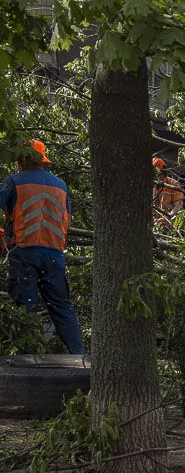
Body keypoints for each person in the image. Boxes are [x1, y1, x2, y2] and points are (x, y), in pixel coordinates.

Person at [0, 139, 85, 354]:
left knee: (23, 307)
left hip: (25, 251)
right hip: (55, 254)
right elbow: (67, 220)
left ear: (22, 159)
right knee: (62, 308)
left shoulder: (14, 181)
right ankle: (80, 357)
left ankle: (21, 360)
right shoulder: (61, 185)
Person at [152, 157, 184, 228]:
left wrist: (167, 218)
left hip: (168, 224)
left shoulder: (173, 184)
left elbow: (178, 205)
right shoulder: (148, 185)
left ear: (163, 173)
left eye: (158, 175)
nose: (156, 178)